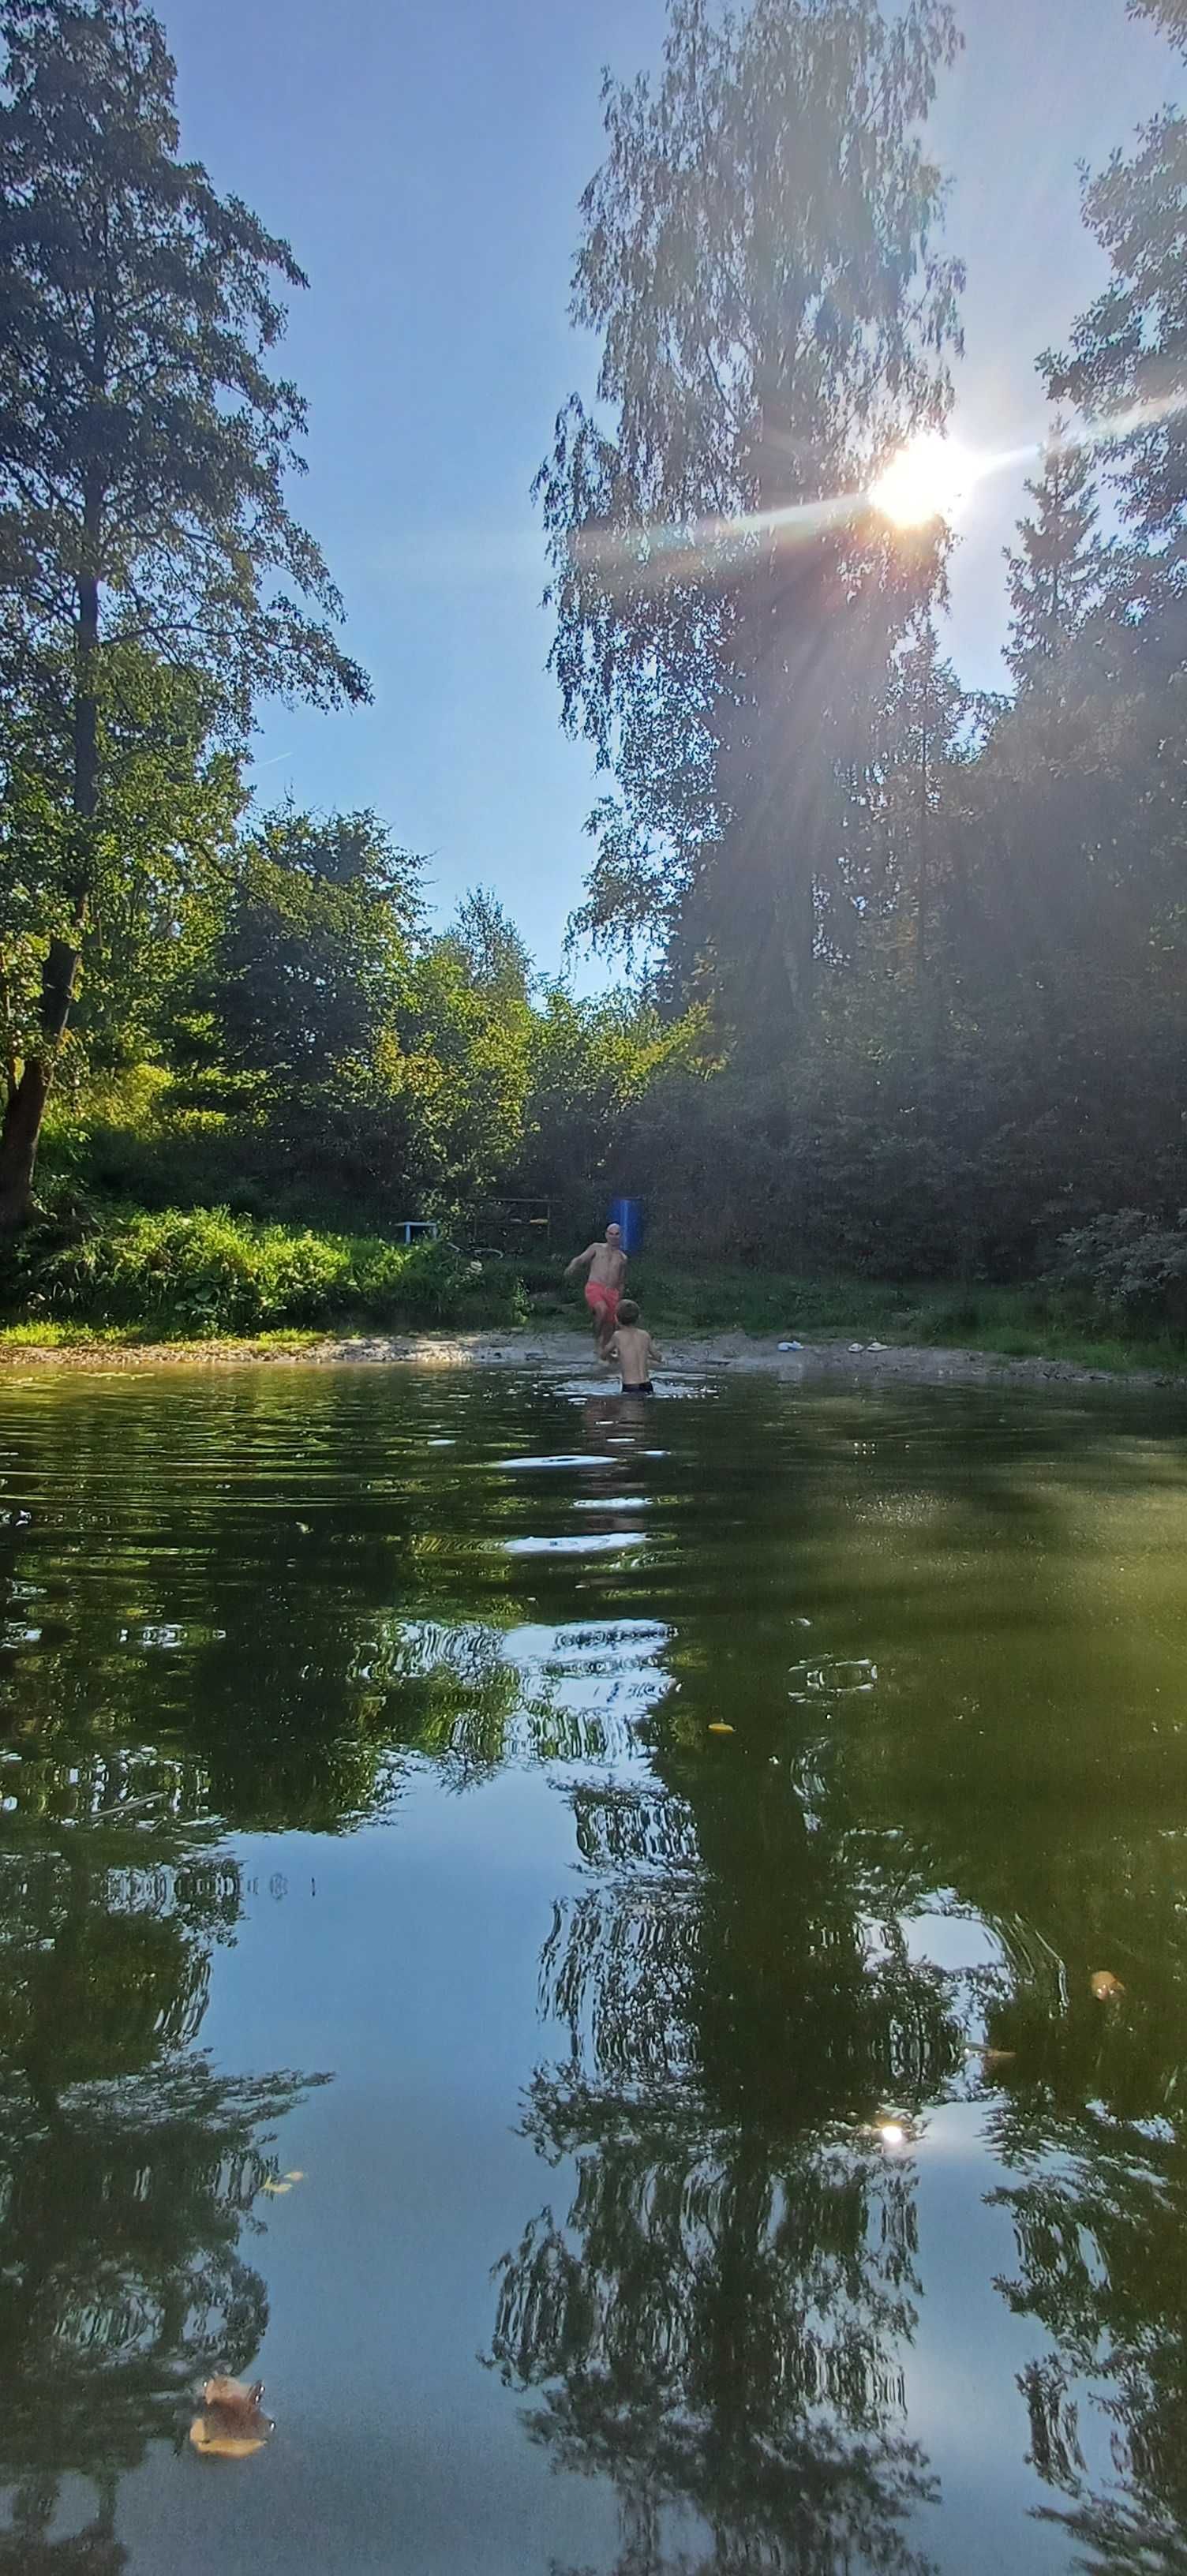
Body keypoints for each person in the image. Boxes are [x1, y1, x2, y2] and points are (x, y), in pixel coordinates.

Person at [565, 1222, 627, 1355]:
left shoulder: (622, 1257)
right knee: (602, 1310)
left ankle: (605, 1350)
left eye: (617, 1234)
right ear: (606, 1235)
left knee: (611, 1325)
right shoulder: (596, 1248)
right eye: (611, 1234)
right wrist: (572, 1266)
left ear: (621, 1236)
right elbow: (581, 1259)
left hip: (612, 1292)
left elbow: (621, 1281)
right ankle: (597, 1340)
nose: (613, 1237)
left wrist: (620, 1299)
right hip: (595, 1287)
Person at [607, 1298, 662, 1395]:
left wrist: (614, 1357)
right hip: (647, 1385)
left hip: (630, 1386)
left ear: (616, 1318)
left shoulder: (617, 1336)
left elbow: (604, 1354)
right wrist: (646, 1356)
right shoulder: (645, 1335)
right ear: (638, 1318)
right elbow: (658, 1357)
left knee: (629, 1410)